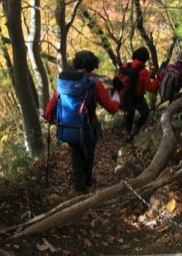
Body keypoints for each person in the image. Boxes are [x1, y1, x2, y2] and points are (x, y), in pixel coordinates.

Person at [44, 51, 120, 193]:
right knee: (88, 152)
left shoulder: (64, 83)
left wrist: (59, 123)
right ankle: (87, 181)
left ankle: (78, 182)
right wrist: (117, 95)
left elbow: (48, 112)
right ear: (93, 65)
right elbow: (111, 108)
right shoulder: (94, 83)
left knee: (75, 150)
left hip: (67, 128)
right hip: (88, 127)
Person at [122, 46, 160, 140]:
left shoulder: (125, 66)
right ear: (145, 59)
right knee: (145, 112)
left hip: (124, 98)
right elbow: (150, 88)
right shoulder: (143, 72)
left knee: (130, 113)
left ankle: (127, 133)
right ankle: (134, 132)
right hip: (137, 99)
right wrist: (158, 79)